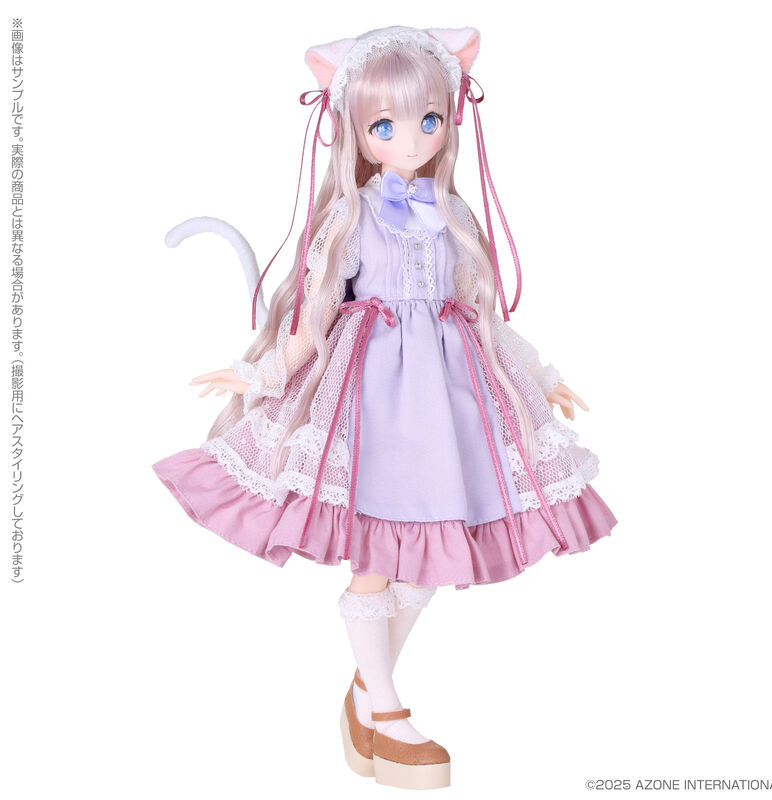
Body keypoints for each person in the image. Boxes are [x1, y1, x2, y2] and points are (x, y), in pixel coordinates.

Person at [152, 25, 618, 790]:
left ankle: (367, 689)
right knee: (374, 553)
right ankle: (388, 709)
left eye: (428, 119)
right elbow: (315, 317)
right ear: (357, 133)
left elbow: (485, 313)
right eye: (386, 125)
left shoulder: (454, 214)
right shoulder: (352, 215)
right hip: (370, 400)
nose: (411, 139)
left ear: (449, 119)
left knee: (432, 554)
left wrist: (539, 375)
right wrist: (260, 373)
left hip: (451, 398)